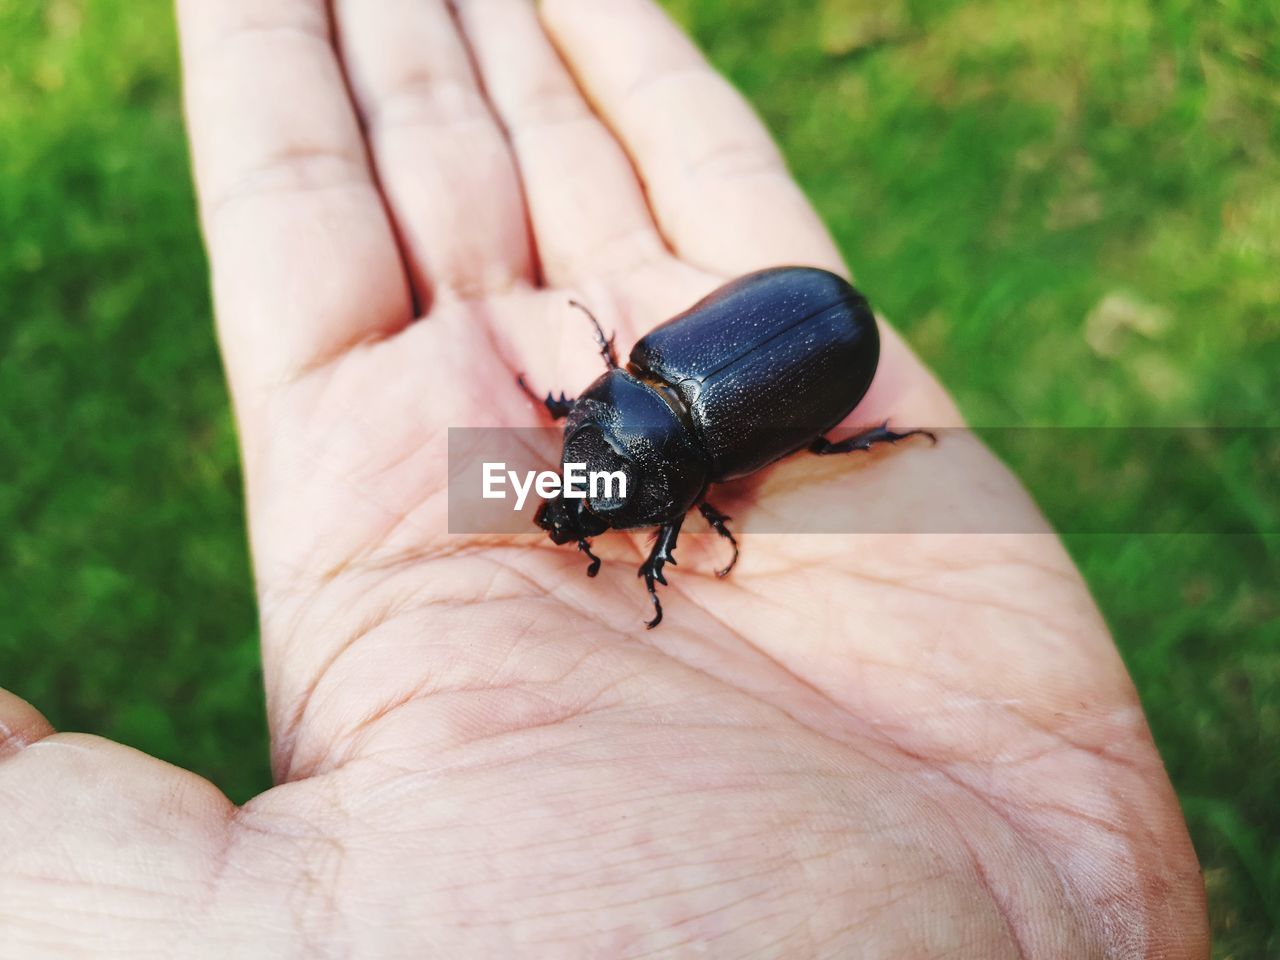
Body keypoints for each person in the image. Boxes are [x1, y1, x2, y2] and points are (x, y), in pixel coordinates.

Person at [0, 0, 1208, 955]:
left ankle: (861, 446)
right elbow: (612, 456)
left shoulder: (680, 445)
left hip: (795, 348)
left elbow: (635, 471)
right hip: (783, 336)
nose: (581, 474)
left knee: (782, 456)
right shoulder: (647, 404)